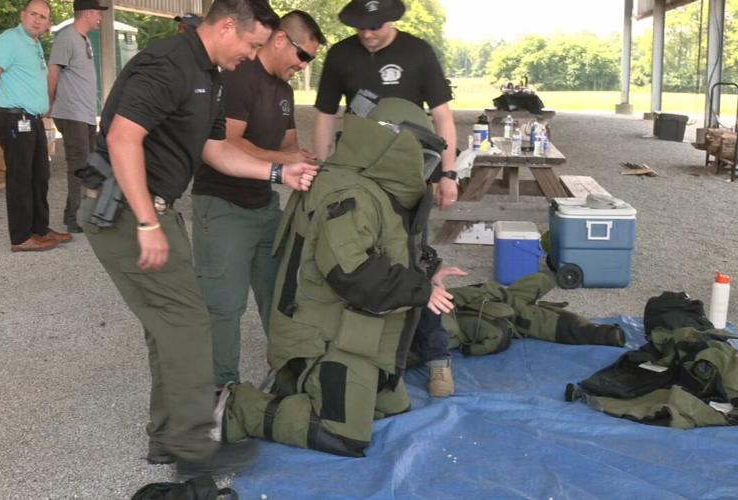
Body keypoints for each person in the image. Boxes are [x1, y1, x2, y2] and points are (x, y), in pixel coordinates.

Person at [75, 0, 317, 477]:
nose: (253, 55)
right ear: (227, 26)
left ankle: (168, 439)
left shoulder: (213, 78)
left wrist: (277, 172)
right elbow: (123, 137)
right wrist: (147, 222)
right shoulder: (168, 63)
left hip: (150, 209)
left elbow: (219, 151)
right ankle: (193, 451)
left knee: (168, 326)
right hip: (125, 210)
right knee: (188, 322)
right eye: (250, 44)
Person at [220, 97, 466, 457]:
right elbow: (354, 275)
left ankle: (314, 392)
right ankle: (239, 404)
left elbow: (389, 251)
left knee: (393, 408)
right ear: (390, 144)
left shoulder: (373, 186)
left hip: (357, 331)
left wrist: (428, 272)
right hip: (321, 338)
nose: (423, 169)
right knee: (344, 435)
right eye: (420, 155)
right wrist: (420, 290)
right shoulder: (348, 192)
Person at [312, 0, 460, 396]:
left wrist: (448, 172)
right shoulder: (341, 55)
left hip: (407, 181)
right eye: (360, 27)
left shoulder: (418, 52)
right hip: (358, 178)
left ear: (391, 18)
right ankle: (357, 355)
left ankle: (437, 360)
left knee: (415, 263)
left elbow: (443, 116)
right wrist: (325, 170)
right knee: (356, 263)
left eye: (375, 25)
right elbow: (326, 115)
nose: (367, 33)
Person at [191, 10, 325, 389]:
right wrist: (287, 162)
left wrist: (308, 161)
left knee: (280, 294)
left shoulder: (283, 88)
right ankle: (222, 389)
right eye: (304, 56)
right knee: (224, 304)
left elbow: (288, 145)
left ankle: (286, 370)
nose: (304, 66)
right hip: (223, 206)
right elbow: (227, 143)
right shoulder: (238, 76)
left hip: (265, 205)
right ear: (281, 39)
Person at [0, 0, 72, 252]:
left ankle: (39, 228)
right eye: (33, 14)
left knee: (40, 175)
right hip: (13, 117)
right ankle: (21, 238)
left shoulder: (34, 44)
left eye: (43, 17)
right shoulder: (9, 39)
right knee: (21, 177)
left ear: (48, 23)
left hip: (32, 118)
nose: (37, 20)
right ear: (22, 15)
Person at [48, 0, 106, 234]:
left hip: (86, 114)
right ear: (88, 13)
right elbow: (53, 71)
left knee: (88, 164)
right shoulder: (66, 37)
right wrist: (49, 103)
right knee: (78, 165)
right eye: (98, 14)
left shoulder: (83, 40)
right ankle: (73, 217)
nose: (100, 18)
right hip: (71, 113)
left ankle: (81, 212)